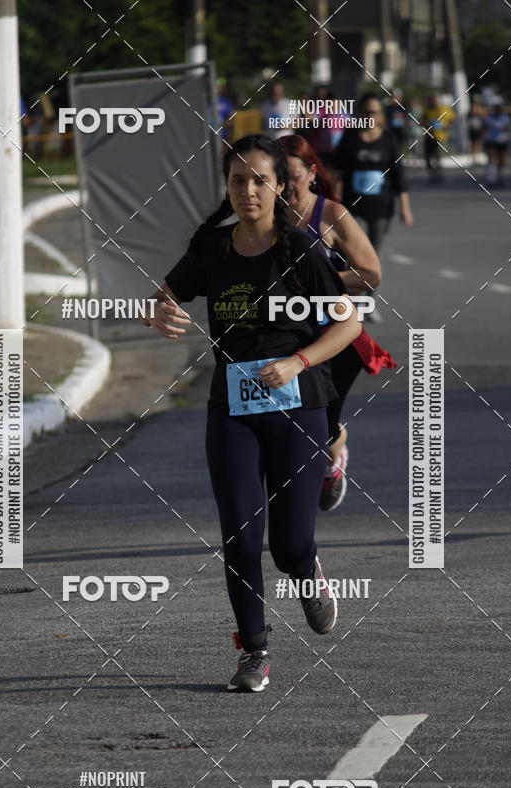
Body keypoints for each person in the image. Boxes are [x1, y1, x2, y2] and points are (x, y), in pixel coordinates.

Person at [142, 134, 360, 692]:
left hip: (299, 407)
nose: (248, 191)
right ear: (228, 186)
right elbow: (164, 296)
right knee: (240, 535)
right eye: (238, 181)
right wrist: (159, 312)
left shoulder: (301, 250)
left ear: (280, 186)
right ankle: (253, 651)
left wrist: (297, 361)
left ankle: (307, 572)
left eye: (260, 180)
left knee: (289, 546)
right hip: (232, 410)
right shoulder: (212, 249)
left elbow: (349, 324)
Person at [279, 134, 396, 511]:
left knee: (324, 424)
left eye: (293, 176)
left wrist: (320, 282)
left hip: (337, 338)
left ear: (312, 173)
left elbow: (371, 273)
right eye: (278, 176)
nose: (286, 185)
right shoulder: (267, 215)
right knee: (288, 421)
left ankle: (334, 460)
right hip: (287, 338)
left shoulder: (331, 214)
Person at [331, 93, 413, 253]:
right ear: (360, 113)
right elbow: (338, 169)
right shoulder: (350, 137)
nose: (370, 116)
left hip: (380, 205)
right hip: (352, 204)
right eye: (366, 112)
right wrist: (335, 197)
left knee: (373, 253)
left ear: (380, 115)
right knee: (353, 250)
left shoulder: (388, 139)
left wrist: (405, 208)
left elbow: (398, 175)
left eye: (374, 112)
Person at [420, 92, 455, 182]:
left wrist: (445, 126)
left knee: (436, 155)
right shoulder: (427, 110)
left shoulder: (443, 109)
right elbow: (422, 122)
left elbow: (451, 119)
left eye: (432, 100)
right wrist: (427, 124)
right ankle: (431, 173)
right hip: (429, 136)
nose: (430, 102)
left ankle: (438, 173)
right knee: (428, 156)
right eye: (429, 101)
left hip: (439, 137)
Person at [483, 101, 511, 187]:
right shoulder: (488, 118)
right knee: (492, 159)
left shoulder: (505, 117)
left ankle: (500, 177)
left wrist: (502, 127)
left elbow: (508, 128)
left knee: (502, 160)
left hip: (502, 140)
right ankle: (491, 179)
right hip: (491, 141)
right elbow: (485, 128)